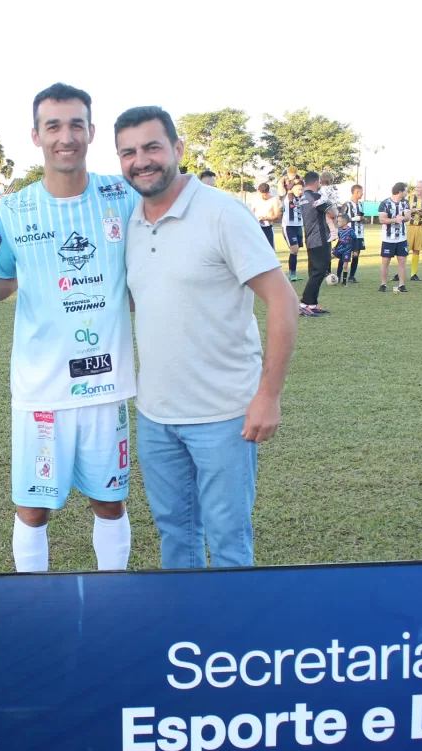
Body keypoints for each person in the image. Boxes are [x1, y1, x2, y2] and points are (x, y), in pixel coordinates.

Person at [0, 82, 134, 573]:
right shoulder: (12, 210)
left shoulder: (122, 194)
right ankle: (34, 604)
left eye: (76, 125)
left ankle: (114, 600)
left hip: (105, 384)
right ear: (36, 135)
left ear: (91, 132)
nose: (66, 137)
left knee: (110, 502)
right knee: (32, 508)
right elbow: (2, 282)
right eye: (53, 126)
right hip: (40, 388)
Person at [115, 105, 298, 569]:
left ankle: (230, 620)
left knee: (228, 540)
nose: (141, 161)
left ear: (177, 149)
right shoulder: (129, 221)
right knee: (175, 534)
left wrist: (269, 396)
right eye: (128, 152)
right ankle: (187, 616)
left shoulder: (221, 213)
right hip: (156, 416)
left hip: (224, 416)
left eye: (152, 147)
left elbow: (282, 300)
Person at [296, 172, 332, 316]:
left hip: (310, 237)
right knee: (319, 271)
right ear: (316, 182)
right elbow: (333, 213)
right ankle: (304, 304)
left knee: (315, 271)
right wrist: (331, 201)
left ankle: (312, 303)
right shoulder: (316, 197)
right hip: (320, 238)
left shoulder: (303, 197)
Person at [378, 182, 410, 293]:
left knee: (402, 261)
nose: (406, 193)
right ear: (400, 191)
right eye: (405, 191)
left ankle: (402, 285)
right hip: (388, 238)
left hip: (402, 238)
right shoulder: (385, 203)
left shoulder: (405, 203)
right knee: (386, 261)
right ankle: (383, 284)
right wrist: (395, 220)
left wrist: (403, 218)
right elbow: (382, 219)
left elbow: (408, 216)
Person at [340, 184, 365, 284]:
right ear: (356, 192)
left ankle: (352, 276)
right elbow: (341, 219)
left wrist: (363, 219)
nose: (362, 194)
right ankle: (339, 275)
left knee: (356, 255)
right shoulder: (347, 205)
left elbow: (361, 218)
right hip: (348, 234)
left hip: (359, 234)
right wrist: (355, 219)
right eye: (361, 192)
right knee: (344, 255)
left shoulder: (361, 204)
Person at [248, 182, 281, 251]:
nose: (263, 197)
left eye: (265, 195)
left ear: (268, 192)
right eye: (262, 195)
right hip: (257, 227)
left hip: (267, 227)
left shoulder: (273, 199)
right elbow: (251, 213)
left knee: (270, 250)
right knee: (256, 249)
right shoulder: (255, 198)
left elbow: (277, 215)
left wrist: (266, 218)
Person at [281, 181, 304, 281]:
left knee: (296, 250)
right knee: (294, 249)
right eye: (298, 189)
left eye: (301, 189)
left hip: (299, 226)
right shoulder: (288, 197)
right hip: (289, 226)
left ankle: (293, 273)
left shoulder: (302, 198)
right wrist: (294, 181)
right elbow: (287, 189)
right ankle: (292, 274)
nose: (300, 191)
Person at [333, 214, 355, 285]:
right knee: (329, 257)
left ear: (344, 222)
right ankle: (328, 273)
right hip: (339, 249)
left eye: (339, 221)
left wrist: (355, 250)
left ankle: (344, 282)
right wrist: (335, 247)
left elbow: (355, 240)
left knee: (345, 266)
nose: (338, 223)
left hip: (347, 251)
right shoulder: (339, 230)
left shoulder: (351, 230)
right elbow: (339, 240)